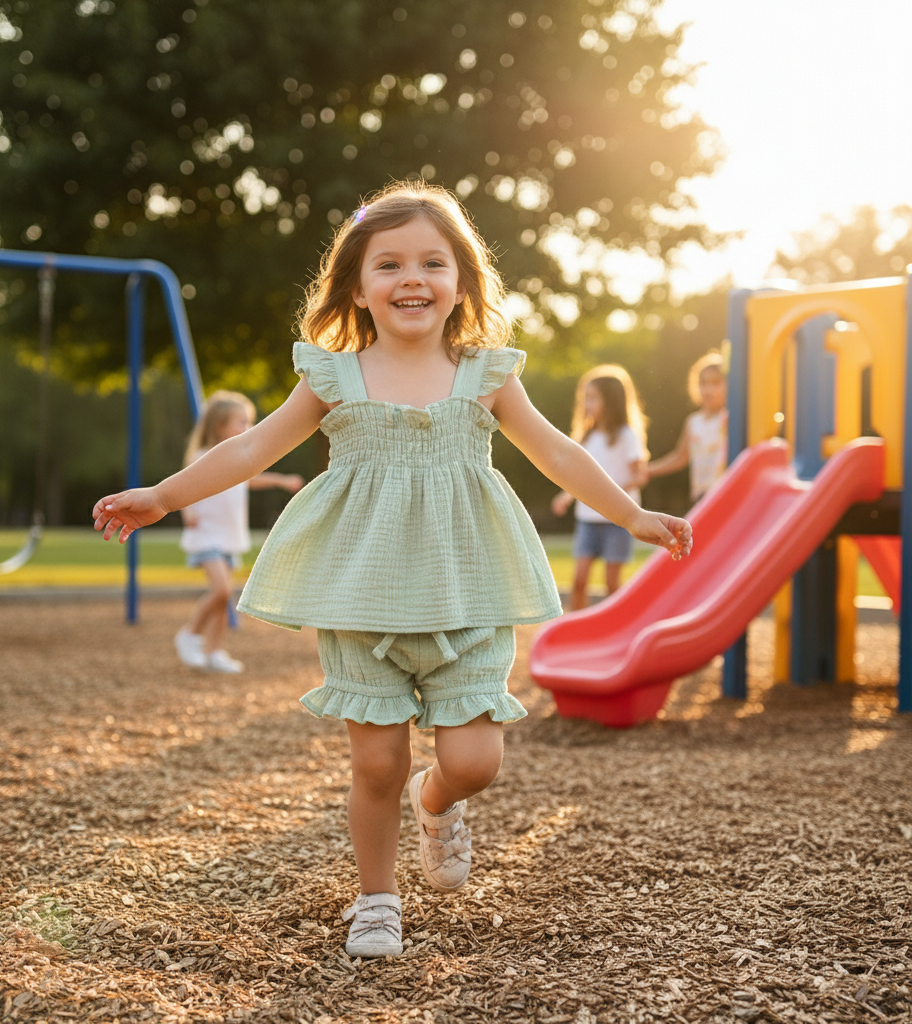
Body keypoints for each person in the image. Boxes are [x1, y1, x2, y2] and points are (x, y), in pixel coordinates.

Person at [93, 182, 692, 959]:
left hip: (465, 588)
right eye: (390, 264)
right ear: (357, 288)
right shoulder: (333, 376)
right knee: (375, 760)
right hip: (364, 592)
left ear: (461, 284)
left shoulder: (485, 374)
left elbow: (558, 451)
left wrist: (631, 515)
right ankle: (377, 899)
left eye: (433, 262)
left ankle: (436, 803)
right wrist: (164, 497)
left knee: (473, 762)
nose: (412, 277)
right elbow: (250, 449)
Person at [175, 390, 303, 674]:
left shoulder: (236, 458)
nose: (247, 428)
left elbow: (252, 480)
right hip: (206, 534)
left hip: (227, 536)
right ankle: (190, 634)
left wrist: (281, 481)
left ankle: (215, 652)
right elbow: (183, 484)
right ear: (219, 425)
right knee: (221, 590)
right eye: (241, 422)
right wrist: (188, 512)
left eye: (248, 422)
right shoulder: (202, 456)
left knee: (224, 597)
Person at [551, 365, 649, 611]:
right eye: (586, 397)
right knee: (579, 580)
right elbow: (580, 479)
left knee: (611, 584)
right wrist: (566, 497)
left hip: (618, 519)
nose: (587, 403)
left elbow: (641, 476)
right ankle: (575, 631)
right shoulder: (586, 437)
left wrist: (610, 491)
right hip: (588, 519)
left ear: (612, 401)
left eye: (593, 398)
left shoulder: (627, 436)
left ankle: (617, 628)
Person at [643, 350, 727, 503]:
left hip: (725, 493)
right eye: (703, 383)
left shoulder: (727, 418)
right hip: (701, 495)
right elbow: (680, 457)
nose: (708, 390)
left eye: (716, 383)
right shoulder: (694, 421)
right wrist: (648, 470)